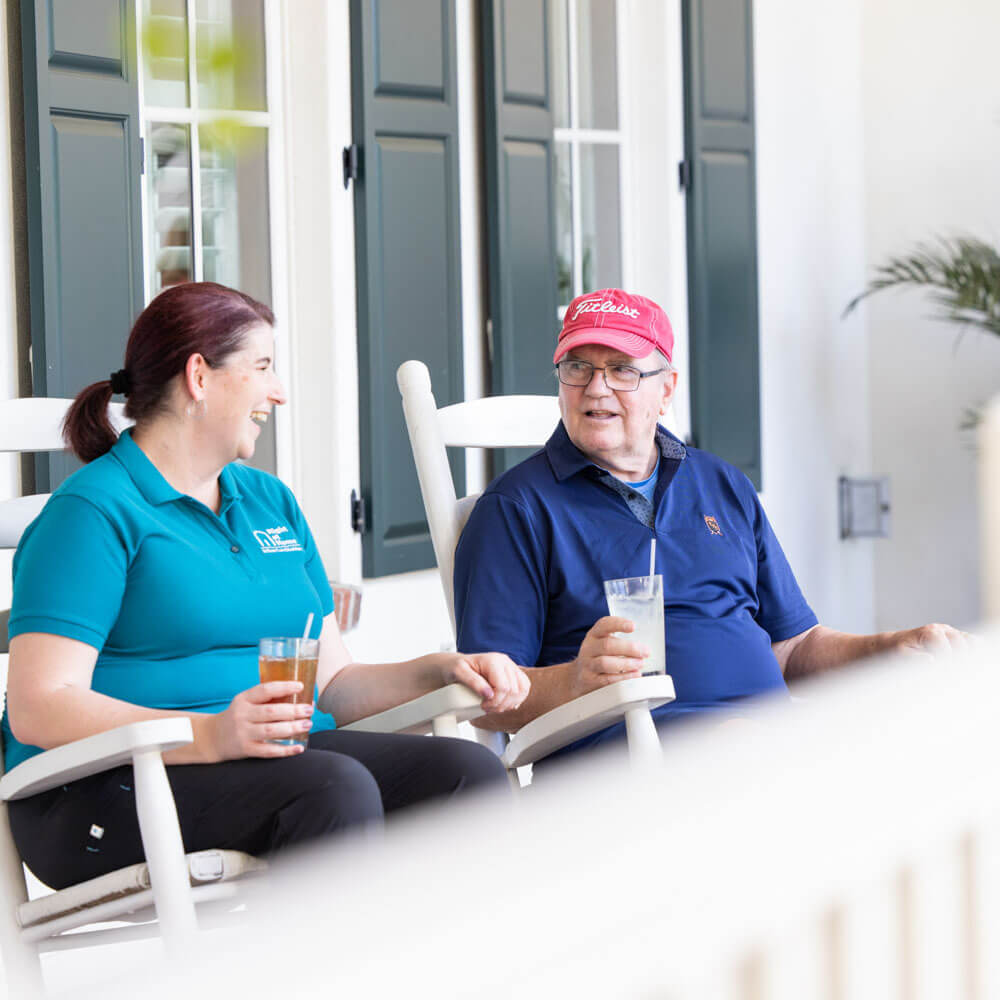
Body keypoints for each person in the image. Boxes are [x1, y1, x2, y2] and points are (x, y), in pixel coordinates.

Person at [2, 281, 528, 891]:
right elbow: (41, 706)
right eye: (262, 367)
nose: (277, 391)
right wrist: (211, 734)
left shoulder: (268, 500)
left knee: (466, 773)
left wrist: (441, 668)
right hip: (98, 789)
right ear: (199, 376)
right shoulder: (92, 513)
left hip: (269, 762)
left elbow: (334, 684)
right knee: (333, 786)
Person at [454, 288, 970, 769]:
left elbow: (791, 648)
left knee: (935, 738)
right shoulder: (517, 508)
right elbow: (487, 699)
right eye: (577, 367)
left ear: (667, 389)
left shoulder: (720, 483)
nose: (596, 387)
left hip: (761, 743)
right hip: (619, 763)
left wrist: (895, 647)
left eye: (622, 370)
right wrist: (577, 679)